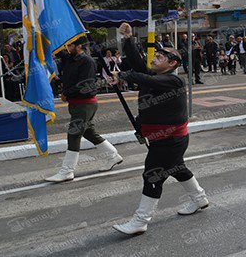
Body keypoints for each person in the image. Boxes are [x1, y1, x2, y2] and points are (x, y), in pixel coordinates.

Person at [110, 22, 208, 235]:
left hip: (169, 140)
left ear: (172, 63)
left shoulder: (174, 82)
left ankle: (140, 221)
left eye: (160, 57)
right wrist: (128, 40)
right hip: (164, 139)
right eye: (154, 56)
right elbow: (138, 67)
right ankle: (200, 199)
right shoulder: (156, 77)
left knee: (152, 175)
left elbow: (140, 76)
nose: (154, 58)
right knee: (177, 169)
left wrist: (123, 76)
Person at [45, 37, 123, 183]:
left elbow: (85, 84)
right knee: (88, 132)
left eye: (70, 45)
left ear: (79, 46)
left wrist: (66, 93)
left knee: (74, 134)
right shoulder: (70, 58)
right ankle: (112, 156)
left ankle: (67, 171)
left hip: (85, 103)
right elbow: (57, 49)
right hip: (76, 103)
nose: (67, 47)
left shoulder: (87, 62)